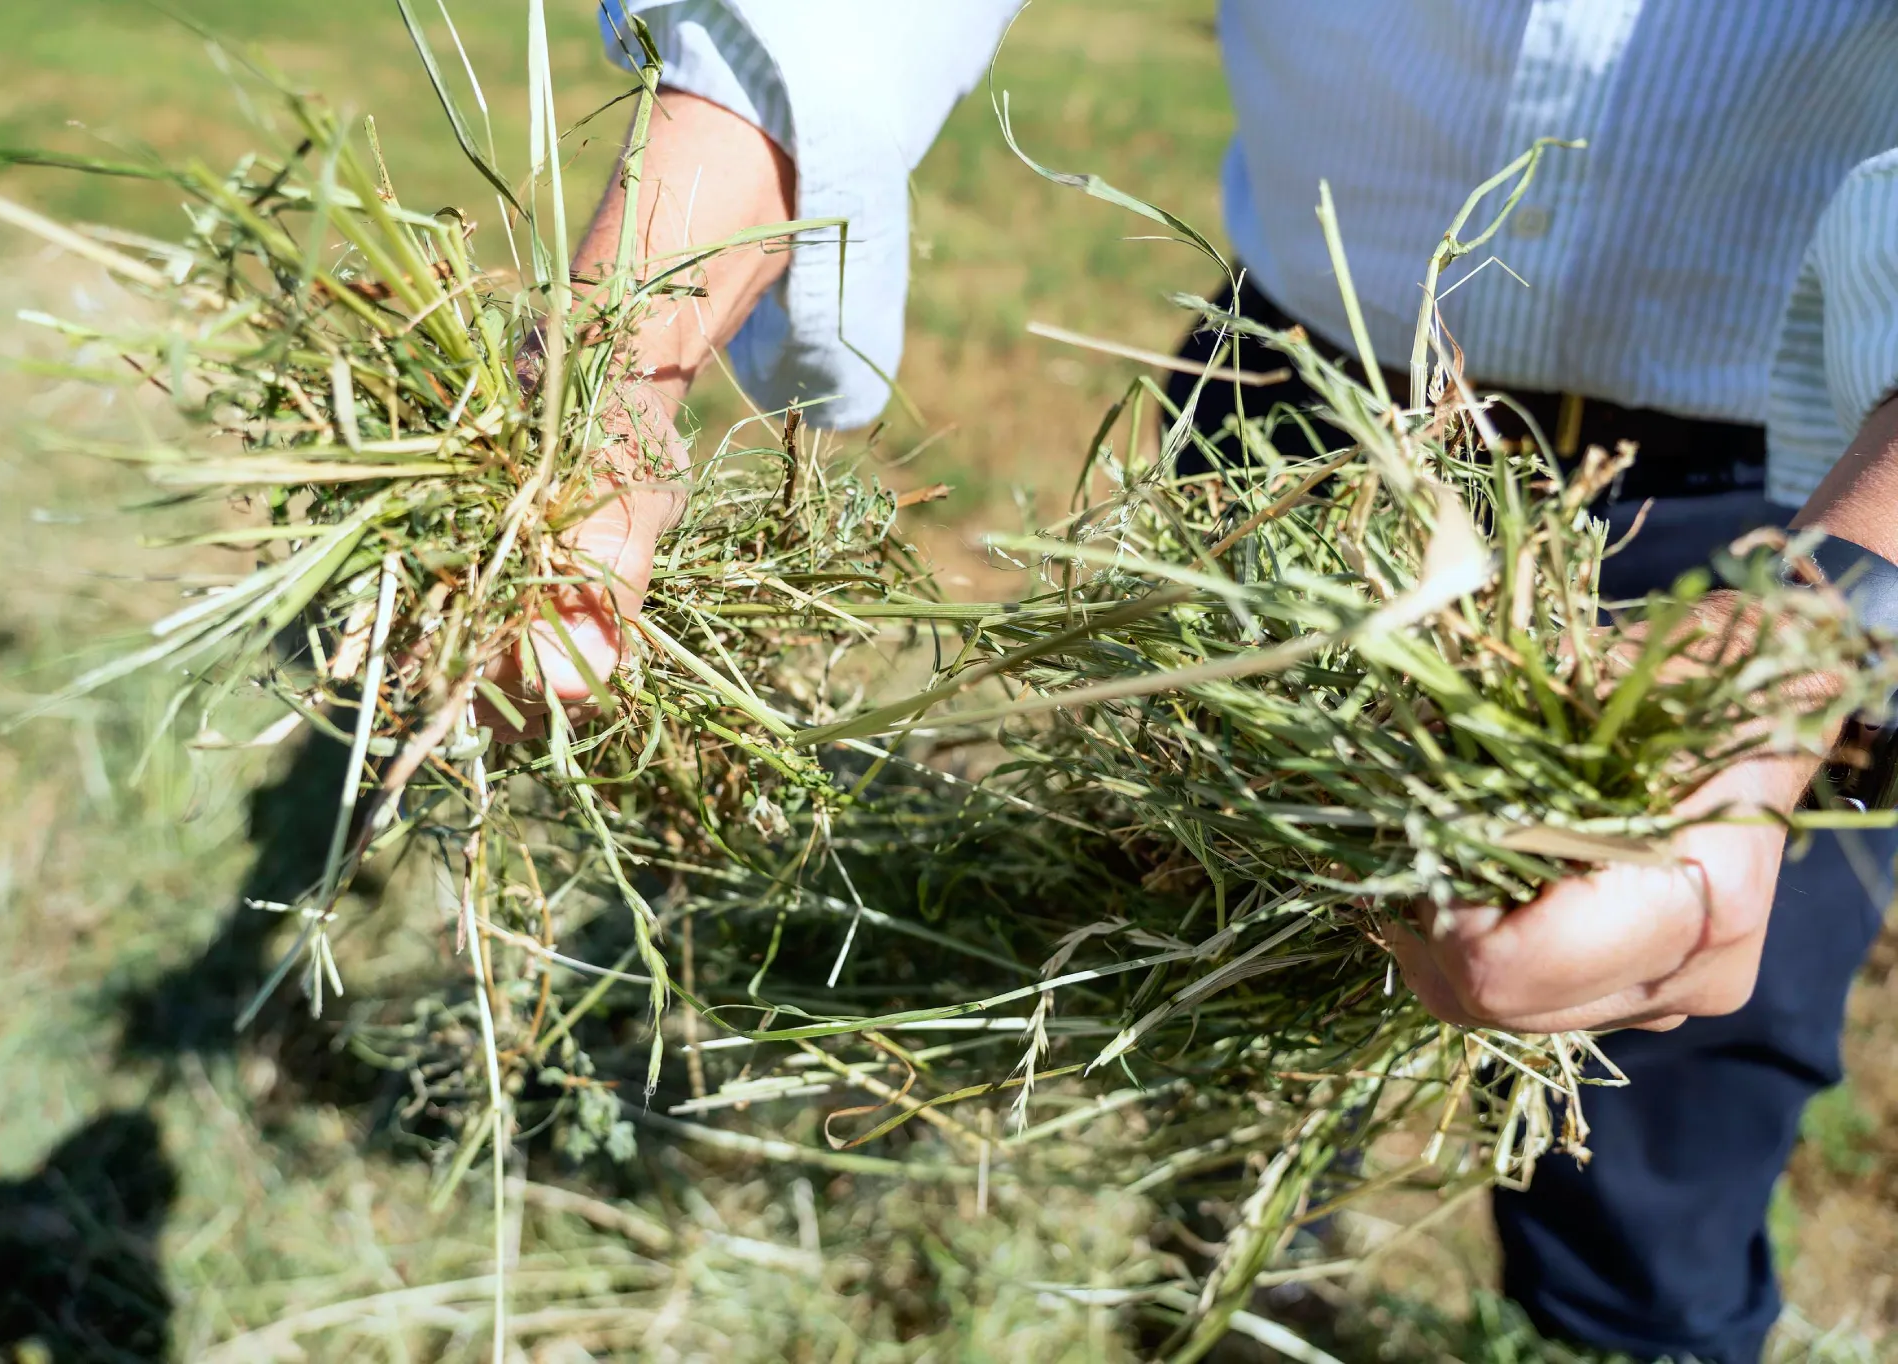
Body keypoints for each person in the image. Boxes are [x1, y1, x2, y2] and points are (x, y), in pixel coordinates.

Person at [532, 7, 1898, 1361]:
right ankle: (1240, 1298)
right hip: (1300, 442)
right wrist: (618, 358)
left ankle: (1635, 1334)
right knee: (1220, 972)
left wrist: (1799, 645)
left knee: (1668, 1089)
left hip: (1782, 509)